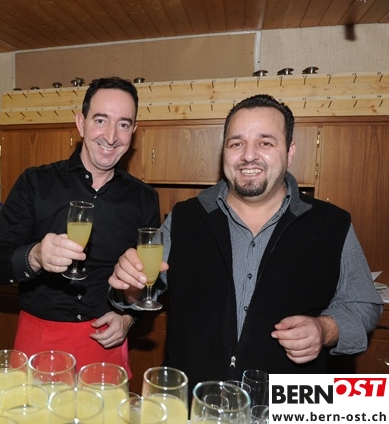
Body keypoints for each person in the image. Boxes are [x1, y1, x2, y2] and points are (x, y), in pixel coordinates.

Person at [109, 94, 384, 389]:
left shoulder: (332, 224)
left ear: (290, 152)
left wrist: (325, 329)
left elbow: (363, 306)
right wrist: (130, 285)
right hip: (193, 401)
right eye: (236, 143)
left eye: (265, 142)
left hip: (285, 403)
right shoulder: (184, 217)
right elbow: (140, 292)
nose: (249, 155)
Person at [0, 77, 160, 375]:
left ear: (133, 131)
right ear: (81, 123)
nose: (111, 136)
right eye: (101, 120)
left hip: (104, 341)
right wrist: (35, 256)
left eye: (123, 124)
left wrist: (129, 318)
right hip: (38, 340)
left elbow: (150, 280)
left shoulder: (144, 198)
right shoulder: (35, 183)